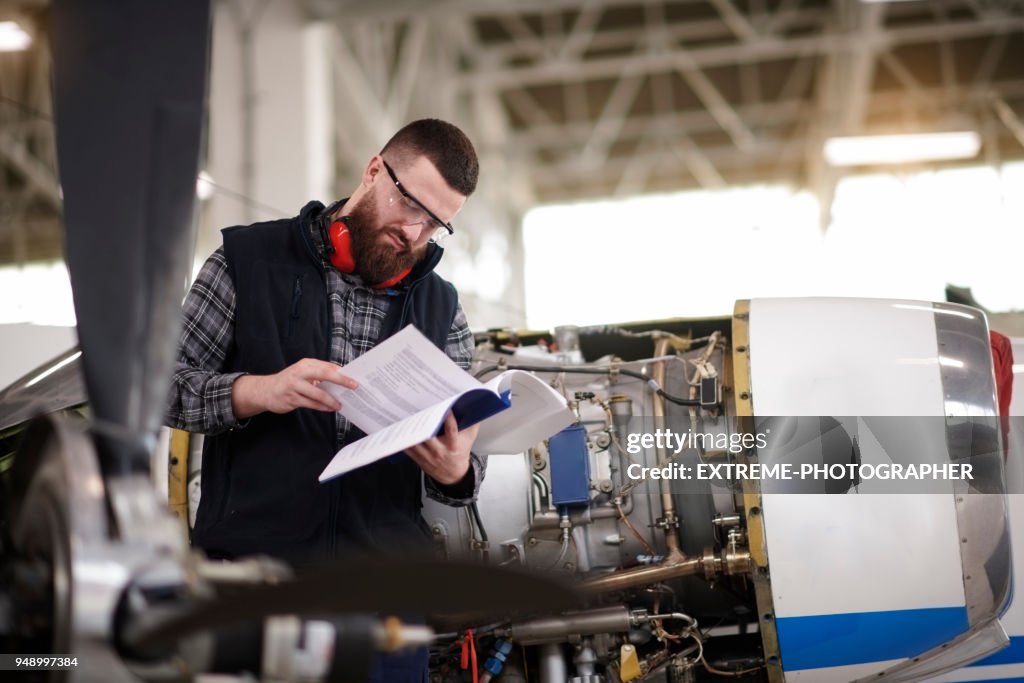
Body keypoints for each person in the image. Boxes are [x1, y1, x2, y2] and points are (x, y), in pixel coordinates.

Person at [166, 119, 485, 569]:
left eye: (434, 223)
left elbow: (467, 456)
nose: (415, 232)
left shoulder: (443, 310)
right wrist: (258, 391)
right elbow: (161, 390)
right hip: (254, 578)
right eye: (410, 204)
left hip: (386, 590)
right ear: (373, 171)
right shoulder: (247, 262)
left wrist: (458, 472)